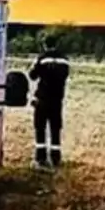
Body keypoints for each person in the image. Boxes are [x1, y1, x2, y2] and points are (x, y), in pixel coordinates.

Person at [29, 36, 70, 168]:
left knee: (40, 127)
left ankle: (40, 158)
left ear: (44, 45)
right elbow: (65, 75)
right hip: (57, 99)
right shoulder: (65, 60)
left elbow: (32, 75)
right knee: (55, 128)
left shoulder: (42, 58)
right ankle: (56, 157)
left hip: (43, 98)